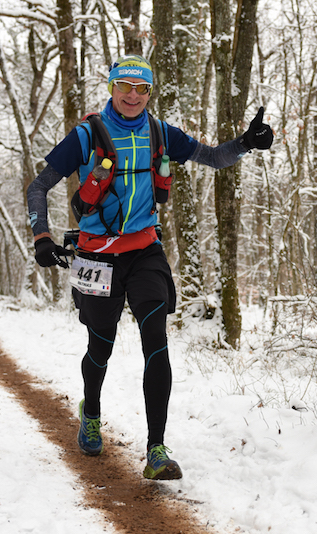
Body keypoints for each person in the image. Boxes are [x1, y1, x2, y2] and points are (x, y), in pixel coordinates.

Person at [26, 54, 273, 480]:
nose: (134, 96)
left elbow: (214, 158)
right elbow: (39, 187)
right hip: (97, 255)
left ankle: (157, 450)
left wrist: (246, 143)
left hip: (145, 251)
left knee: (155, 340)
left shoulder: (159, 132)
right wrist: (41, 237)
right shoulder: (87, 135)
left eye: (143, 89)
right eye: (126, 87)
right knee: (100, 346)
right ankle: (91, 413)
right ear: (111, 88)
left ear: (149, 92)